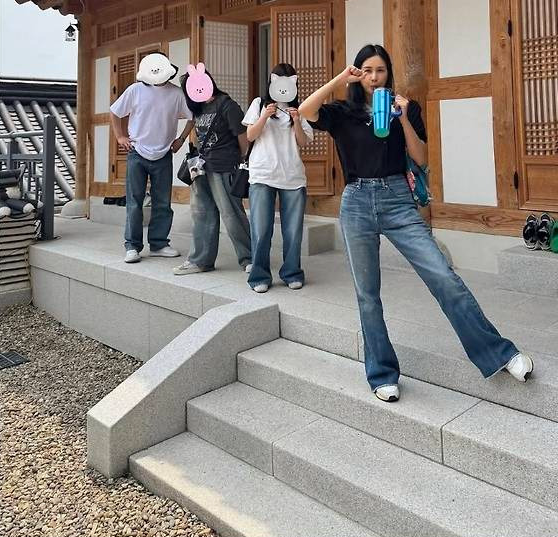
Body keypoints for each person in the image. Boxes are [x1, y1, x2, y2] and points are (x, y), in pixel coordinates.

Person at [299, 43, 534, 402]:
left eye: (380, 70)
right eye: (367, 70)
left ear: (389, 73)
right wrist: (341, 78)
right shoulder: (343, 112)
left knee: (442, 276)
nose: (374, 77)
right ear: (358, 74)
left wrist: (405, 118)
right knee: (367, 294)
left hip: (397, 199)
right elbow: (305, 110)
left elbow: (421, 158)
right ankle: (382, 374)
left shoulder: (406, 108)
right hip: (357, 202)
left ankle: (499, 353)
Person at [109, 52, 194, 263]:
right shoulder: (135, 90)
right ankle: (132, 246)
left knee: (162, 202)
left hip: (164, 153)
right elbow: (115, 112)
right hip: (137, 151)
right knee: (134, 202)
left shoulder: (176, 94)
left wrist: (181, 139)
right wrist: (120, 136)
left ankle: (159, 244)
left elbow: (192, 117)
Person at [173, 65, 252, 275]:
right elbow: (194, 126)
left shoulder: (227, 105)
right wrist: (182, 140)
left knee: (231, 214)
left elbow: (242, 137)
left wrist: (242, 161)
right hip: (201, 169)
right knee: (201, 214)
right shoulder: (198, 108)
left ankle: (250, 257)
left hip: (224, 166)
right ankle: (201, 261)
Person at [243, 64, 313, 293]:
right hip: (262, 174)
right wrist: (265, 115)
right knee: (261, 229)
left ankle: (292, 273)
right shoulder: (258, 103)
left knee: (293, 231)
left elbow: (303, 142)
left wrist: (296, 121)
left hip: (293, 176)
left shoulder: (300, 109)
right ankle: (259, 276)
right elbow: (250, 135)